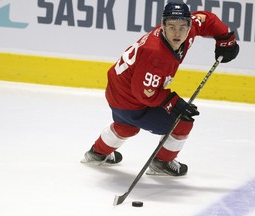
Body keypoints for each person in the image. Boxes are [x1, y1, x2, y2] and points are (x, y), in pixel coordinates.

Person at [81, 2, 239, 176]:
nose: (177, 33)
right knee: (182, 121)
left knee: (126, 126)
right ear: (163, 26)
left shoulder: (187, 30)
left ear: (190, 25)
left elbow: (207, 19)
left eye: (182, 27)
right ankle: (162, 162)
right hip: (130, 97)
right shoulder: (155, 54)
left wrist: (225, 39)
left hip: (117, 90)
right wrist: (173, 102)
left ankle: (97, 153)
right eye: (171, 27)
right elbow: (143, 93)